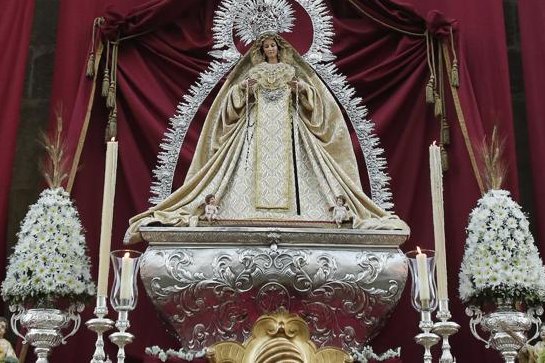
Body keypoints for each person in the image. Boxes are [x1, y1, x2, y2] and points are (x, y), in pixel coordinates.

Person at [126, 33, 406, 240]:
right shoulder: (254, 72)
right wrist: (244, 89)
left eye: (273, 45)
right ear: (261, 50)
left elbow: (314, 103)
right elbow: (230, 104)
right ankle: (233, 209)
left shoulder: (293, 70)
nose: (270, 49)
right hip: (254, 130)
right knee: (239, 168)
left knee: (308, 168)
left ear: (280, 48)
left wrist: (301, 89)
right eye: (266, 46)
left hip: (291, 130)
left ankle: (319, 209)